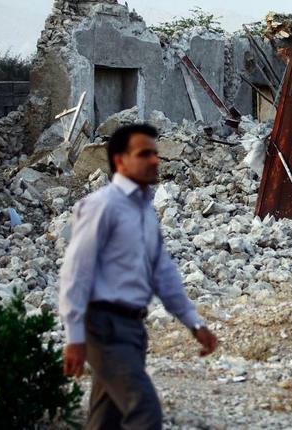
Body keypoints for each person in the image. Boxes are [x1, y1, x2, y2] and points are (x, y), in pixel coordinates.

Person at [59, 123, 218, 430]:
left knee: (106, 420)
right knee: (145, 413)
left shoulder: (144, 210)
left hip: (132, 330)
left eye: (155, 154)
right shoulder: (102, 205)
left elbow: (163, 273)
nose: (155, 160)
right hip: (104, 327)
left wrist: (194, 323)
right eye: (145, 154)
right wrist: (74, 337)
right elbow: (76, 272)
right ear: (120, 161)